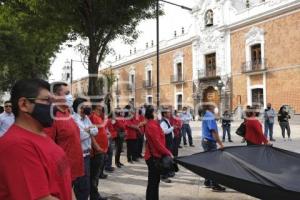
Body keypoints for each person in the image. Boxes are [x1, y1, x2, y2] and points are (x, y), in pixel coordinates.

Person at [0, 79, 72, 199]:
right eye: (47, 100)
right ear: (24, 104)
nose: (53, 106)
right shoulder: (16, 145)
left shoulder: (42, 135)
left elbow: (64, 183)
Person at [44, 82, 84, 192]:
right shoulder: (51, 117)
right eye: (66, 93)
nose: (70, 96)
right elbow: (47, 149)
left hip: (73, 169)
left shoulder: (67, 113)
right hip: (61, 173)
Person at [144, 105, 172, 200]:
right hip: (153, 157)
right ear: (152, 113)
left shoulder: (154, 123)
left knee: (155, 182)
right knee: (153, 182)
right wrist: (168, 153)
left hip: (156, 155)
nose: (158, 114)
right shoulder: (151, 125)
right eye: (156, 112)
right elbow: (157, 143)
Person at [72, 98, 98, 200]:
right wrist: (89, 130)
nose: (89, 108)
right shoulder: (74, 119)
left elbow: (96, 131)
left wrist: (87, 130)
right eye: (86, 106)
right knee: (81, 185)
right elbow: (80, 135)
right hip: (78, 156)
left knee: (85, 184)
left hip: (87, 155)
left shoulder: (86, 118)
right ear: (80, 107)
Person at [201, 103, 226, 192]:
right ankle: (214, 184)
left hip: (205, 141)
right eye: (214, 106)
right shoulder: (210, 116)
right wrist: (220, 144)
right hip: (210, 142)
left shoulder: (207, 115)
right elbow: (214, 132)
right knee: (214, 164)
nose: (216, 107)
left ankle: (207, 181)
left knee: (209, 162)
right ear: (210, 107)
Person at [89, 101, 108, 200]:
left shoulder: (99, 116)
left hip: (102, 150)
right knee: (94, 176)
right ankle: (94, 196)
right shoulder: (92, 117)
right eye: (100, 104)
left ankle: (95, 194)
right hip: (97, 151)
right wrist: (96, 148)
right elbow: (91, 134)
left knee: (96, 175)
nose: (102, 106)